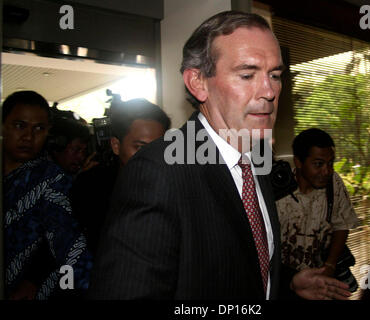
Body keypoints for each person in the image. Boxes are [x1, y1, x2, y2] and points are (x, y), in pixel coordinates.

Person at [88, 11, 350, 300]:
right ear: (198, 82)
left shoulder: (256, 160)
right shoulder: (157, 172)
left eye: (275, 75)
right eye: (247, 74)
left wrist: (286, 282)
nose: (269, 91)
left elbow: (234, 266)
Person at [2, 90, 92, 299]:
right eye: (19, 125)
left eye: (39, 129)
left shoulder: (52, 180)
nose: (28, 136)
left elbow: (67, 241)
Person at [71, 98, 171, 254]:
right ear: (116, 146)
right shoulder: (90, 188)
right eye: (140, 147)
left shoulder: (175, 188)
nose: (152, 157)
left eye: (158, 148)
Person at [276, 128, 359, 280]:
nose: (327, 171)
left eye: (330, 163)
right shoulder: (279, 191)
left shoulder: (333, 184)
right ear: (298, 162)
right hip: (284, 282)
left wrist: (330, 265)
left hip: (320, 280)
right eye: (318, 164)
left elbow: (341, 224)